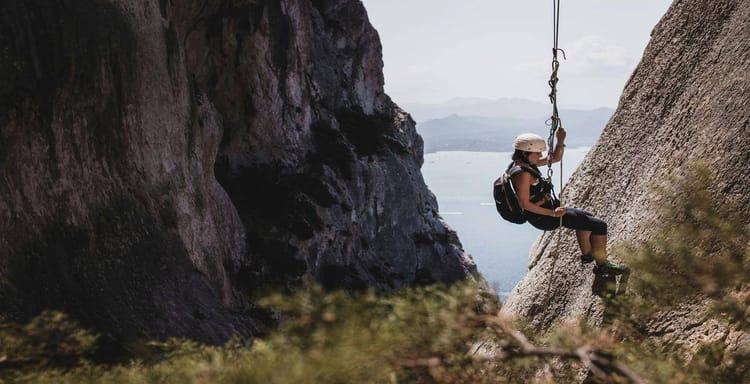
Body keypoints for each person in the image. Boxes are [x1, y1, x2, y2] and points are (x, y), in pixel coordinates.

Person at [509, 129, 627, 276]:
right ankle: (602, 266)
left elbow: (556, 158)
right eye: (537, 153)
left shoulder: (525, 164)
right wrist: (552, 213)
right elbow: (524, 204)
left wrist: (560, 140)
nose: (540, 156)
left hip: (549, 211)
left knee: (586, 217)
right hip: (545, 217)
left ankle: (587, 255)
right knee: (599, 225)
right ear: (525, 153)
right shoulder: (522, 173)